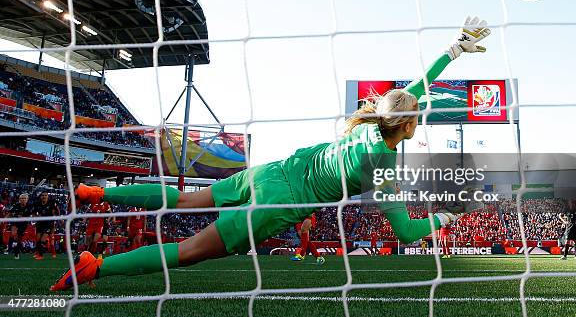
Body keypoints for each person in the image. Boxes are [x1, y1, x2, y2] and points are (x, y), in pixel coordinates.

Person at [50, 16, 491, 291]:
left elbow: (415, 88)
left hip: (269, 172)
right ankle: (94, 269)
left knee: (184, 198)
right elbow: (410, 234)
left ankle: (98, 192)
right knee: (186, 251)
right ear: (411, 127)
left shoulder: (375, 120)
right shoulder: (383, 166)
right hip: (274, 206)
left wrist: (453, 49)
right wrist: (448, 217)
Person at [33, 192, 60, 260]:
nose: (44, 196)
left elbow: (57, 212)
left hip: (49, 224)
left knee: (44, 239)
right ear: (40, 196)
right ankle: (38, 253)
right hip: (40, 223)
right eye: (42, 195)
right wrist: (36, 216)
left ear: (48, 196)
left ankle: (43, 255)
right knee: (38, 239)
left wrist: (56, 218)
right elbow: (33, 213)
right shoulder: (37, 203)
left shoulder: (51, 203)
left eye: (45, 195)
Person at [7, 194, 32, 260]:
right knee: (13, 234)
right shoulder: (15, 205)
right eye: (22, 198)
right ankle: (9, 248)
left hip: (24, 224)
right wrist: (4, 220)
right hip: (15, 222)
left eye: (24, 198)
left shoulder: (30, 207)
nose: (23, 200)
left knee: (18, 239)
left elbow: (33, 215)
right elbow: (9, 213)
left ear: (27, 199)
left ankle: (16, 252)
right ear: (19, 199)